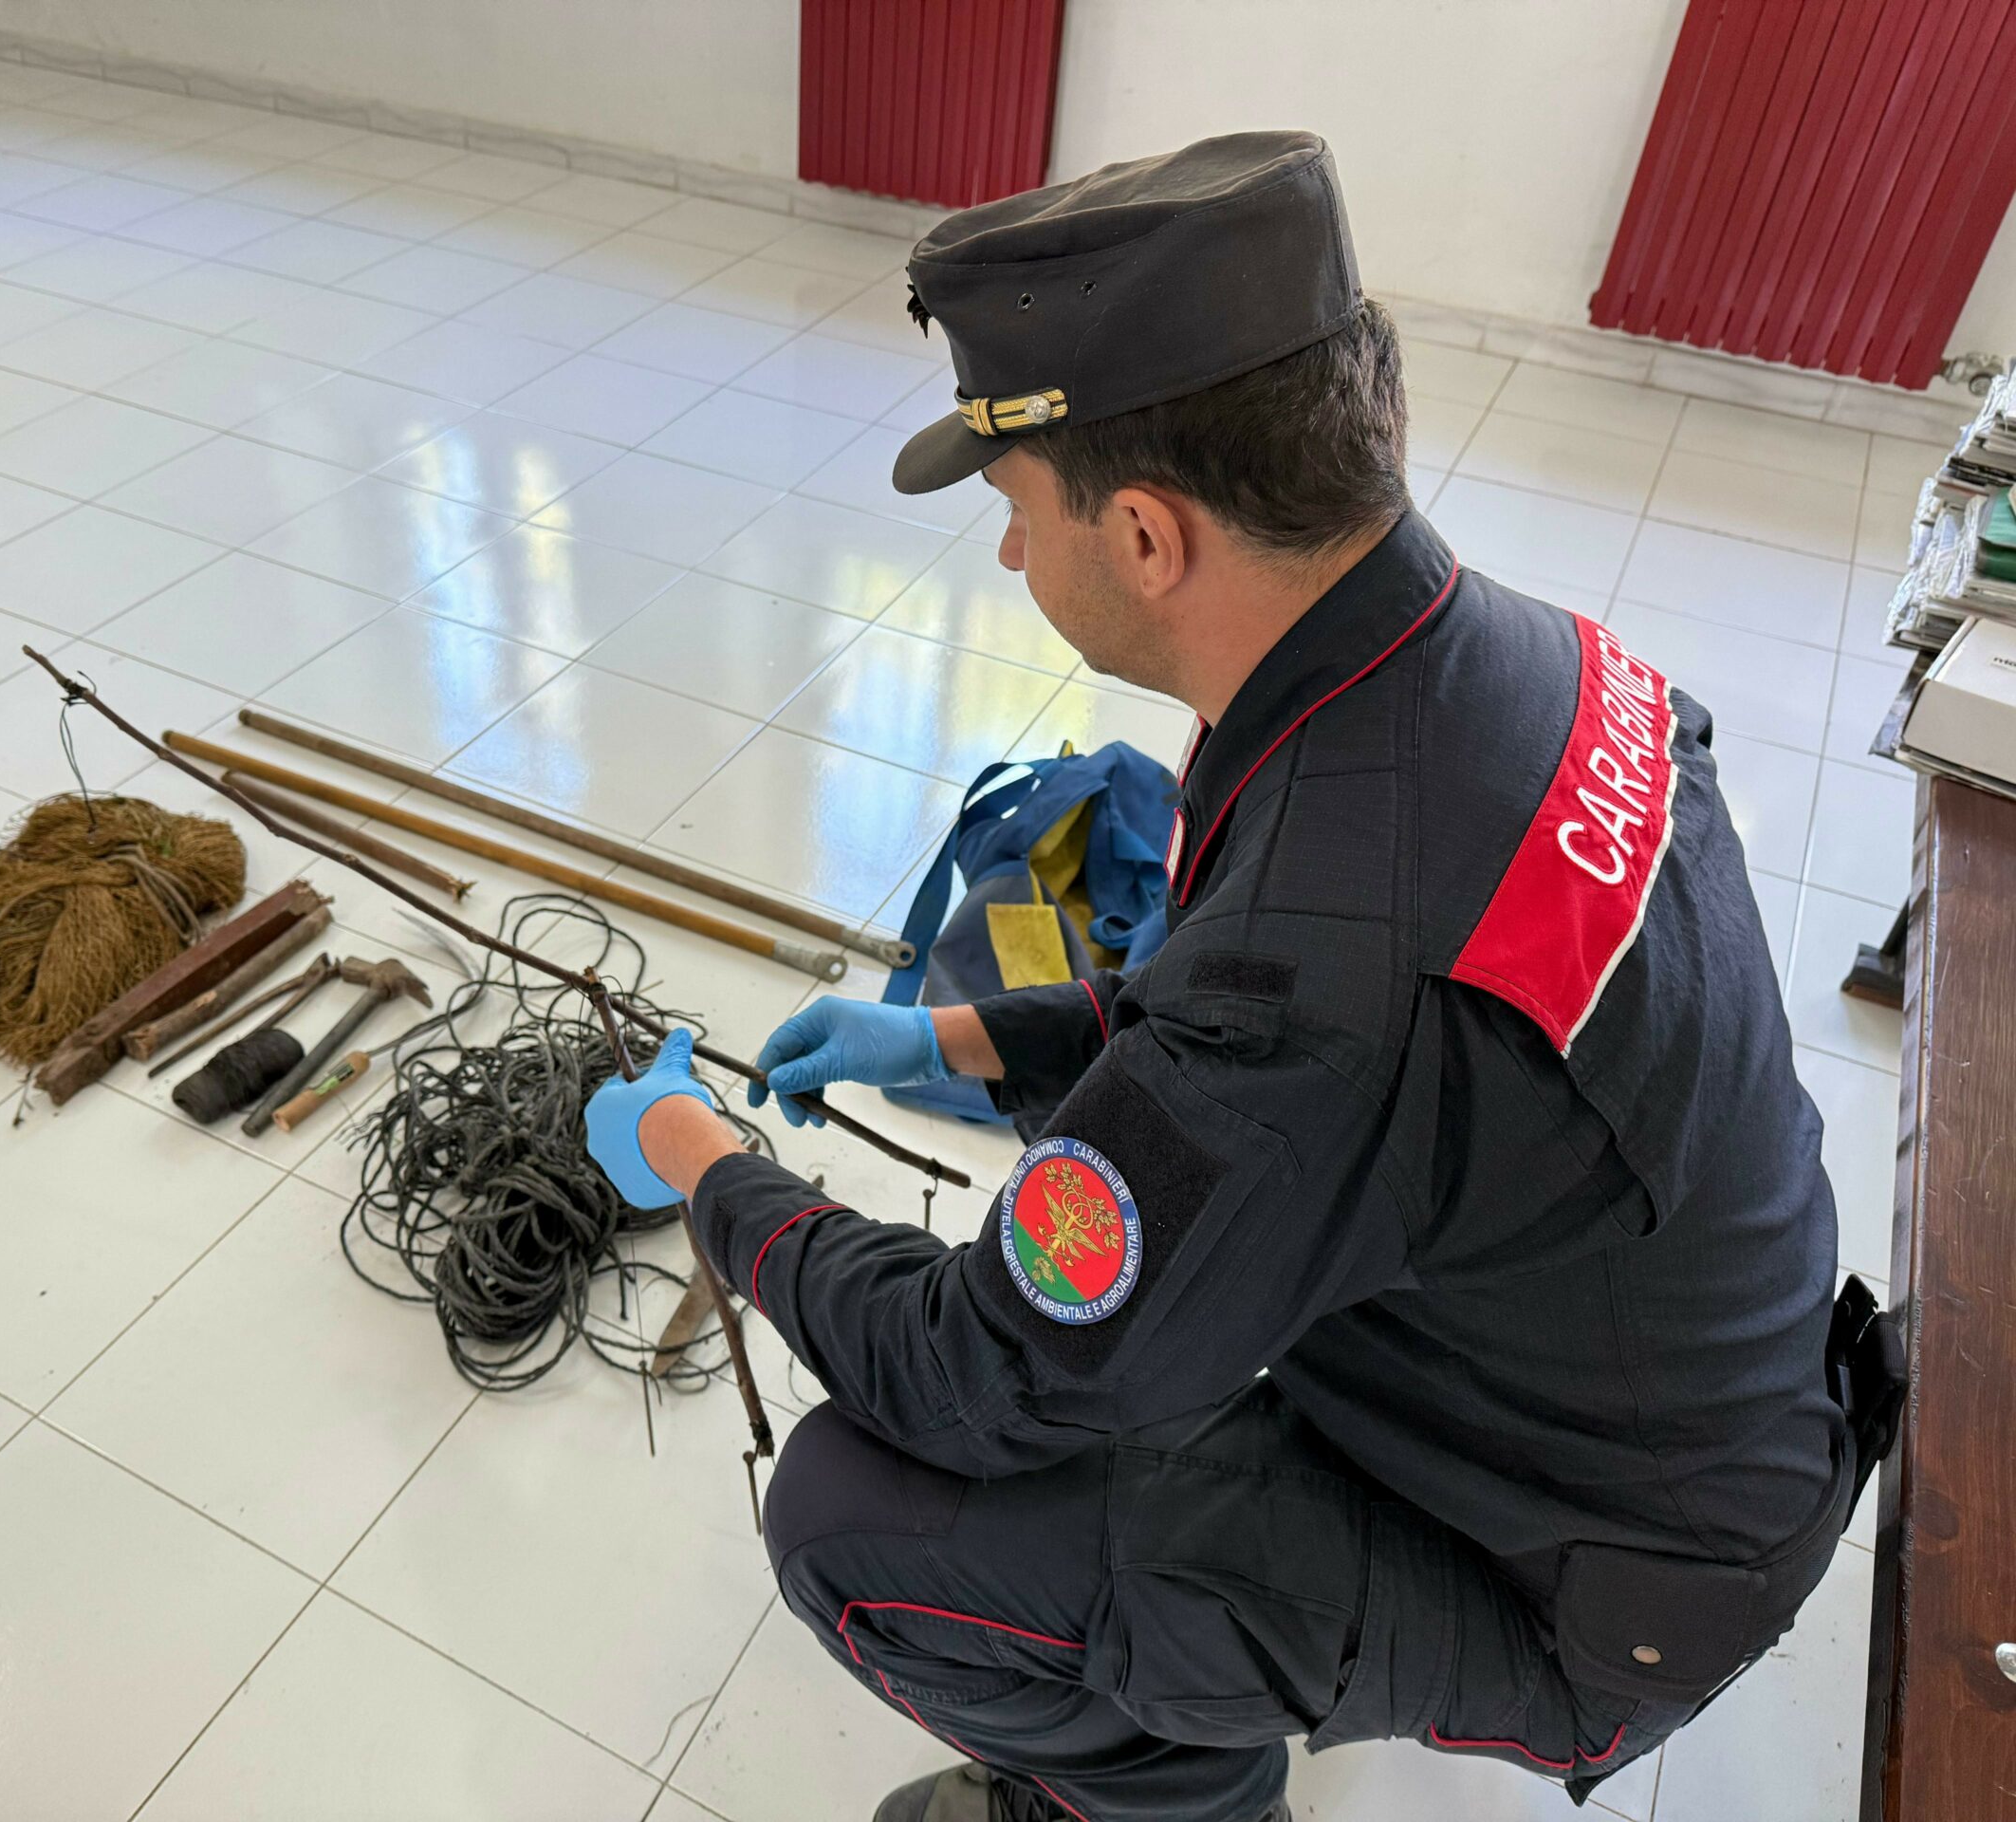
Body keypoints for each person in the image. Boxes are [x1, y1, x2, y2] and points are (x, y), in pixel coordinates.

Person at [583, 132, 1870, 1822]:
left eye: (1015, 515)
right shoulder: (1493, 663)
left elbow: (982, 1375)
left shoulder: (1330, 958)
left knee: (850, 1515)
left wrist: (698, 1164)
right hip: (1667, 1428)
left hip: (1598, 1592)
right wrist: (946, 1032)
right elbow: (1237, 1012)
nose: (1007, 561)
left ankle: (1143, 1805)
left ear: (1141, 532)